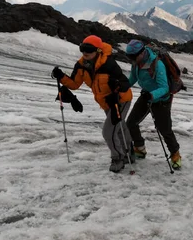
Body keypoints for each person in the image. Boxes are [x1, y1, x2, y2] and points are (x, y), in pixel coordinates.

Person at [51, 35, 133, 173]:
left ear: (98, 50)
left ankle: (118, 157)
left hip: (121, 100)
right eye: (83, 49)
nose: (85, 52)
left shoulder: (108, 63)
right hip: (106, 102)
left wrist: (117, 85)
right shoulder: (81, 65)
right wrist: (61, 77)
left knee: (108, 131)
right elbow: (75, 84)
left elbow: (125, 83)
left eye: (89, 49)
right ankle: (129, 152)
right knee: (119, 127)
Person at [124, 39, 182, 170]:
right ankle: (140, 148)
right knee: (131, 123)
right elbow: (133, 78)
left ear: (141, 53)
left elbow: (164, 87)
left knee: (165, 129)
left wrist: (151, 95)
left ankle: (175, 155)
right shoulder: (137, 63)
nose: (131, 60)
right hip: (147, 96)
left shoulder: (157, 64)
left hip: (161, 100)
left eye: (132, 57)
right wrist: (122, 87)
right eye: (129, 57)